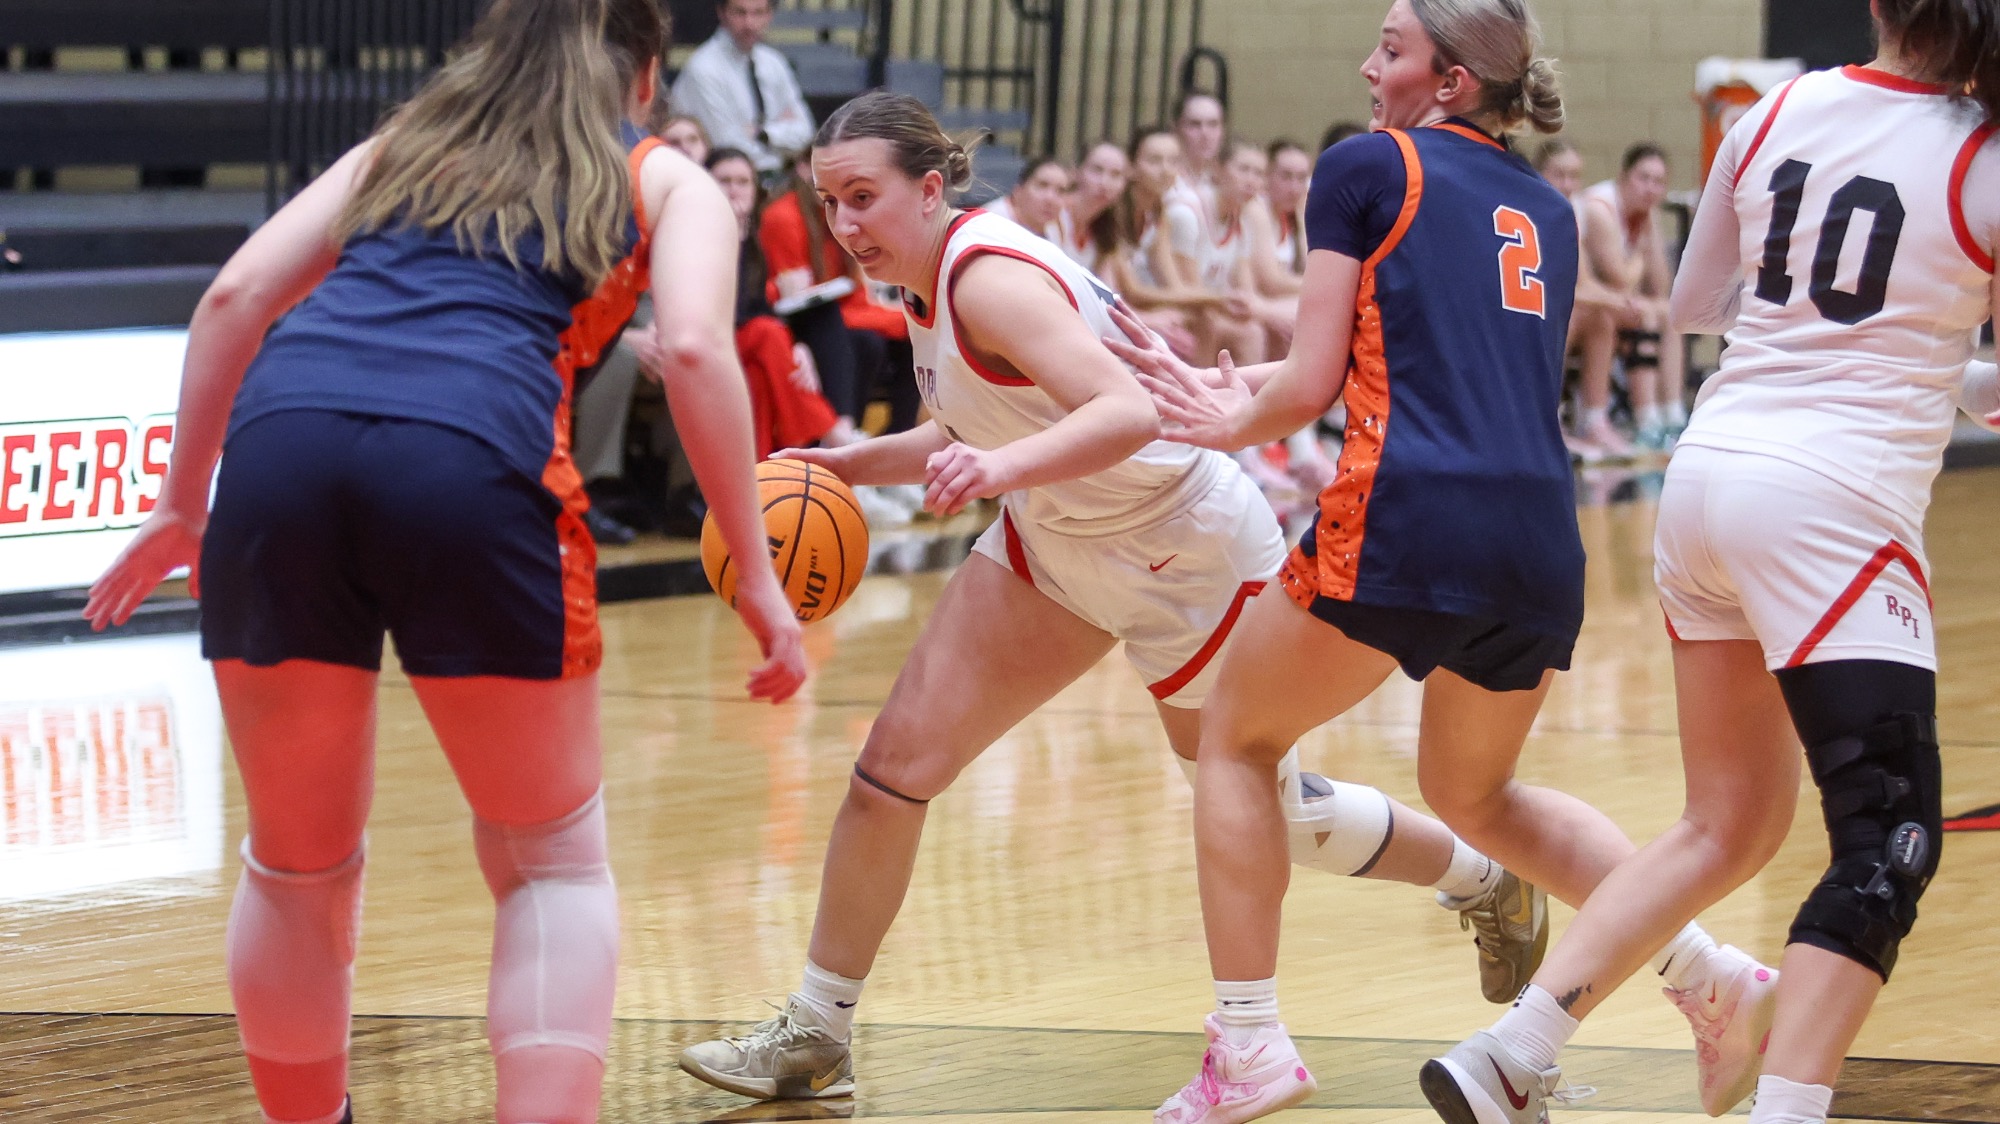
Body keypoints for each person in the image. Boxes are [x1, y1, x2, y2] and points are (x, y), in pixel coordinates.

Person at [676, 90, 1554, 1105]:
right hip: (1056, 540)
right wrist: (844, 462)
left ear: (928, 189)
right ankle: (814, 1030)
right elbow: (974, 418)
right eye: (828, 201)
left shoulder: (989, 280)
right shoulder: (925, 282)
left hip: (1182, 545)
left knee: (1267, 807)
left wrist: (999, 475)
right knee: (890, 769)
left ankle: (1480, 877)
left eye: (863, 197)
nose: (845, 226)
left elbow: (1128, 409)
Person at [80, 3, 809, 1122]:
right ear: (647, 74)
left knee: (296, 864)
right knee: (551, 861)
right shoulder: (664, 177)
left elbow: (233, 297)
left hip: (282, 452)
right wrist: (757, 578)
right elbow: (703, 349)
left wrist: (185, 504)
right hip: (471, 459)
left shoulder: (404, 142)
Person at [1103, 3, 1738, 1121]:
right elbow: (1430, 354)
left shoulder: (1364, 165)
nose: (1364, 64)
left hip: (1406, 512)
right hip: (1540, 531)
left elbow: (1308, 386)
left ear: (1447, 81)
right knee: (1474, 792)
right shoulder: (1545, 206)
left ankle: (1245, 1041)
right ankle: (1705, 971)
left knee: (1235, 738)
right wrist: (1245, 385)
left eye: (1388, 49)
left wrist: (1219, 419)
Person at [1430, 3, 2000, 1121]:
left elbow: (1694, 309)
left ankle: (1510, 1047)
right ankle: (1786, 1111)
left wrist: (1885, 354)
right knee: (1886, 837)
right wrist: (1923, 363)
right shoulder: (1979, 153)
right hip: (1829, 504)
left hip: (1703, 478)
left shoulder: (1772, 106)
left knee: (1726, 820)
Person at [1573, 143, 1687, 455]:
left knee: (1669, 312)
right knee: (1644, 314)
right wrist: (1640, 254)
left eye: (1659, 182)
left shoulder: (1642, 215)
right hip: (1586, 303)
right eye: (1644, 178)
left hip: (1611, 300)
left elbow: (1661, 285)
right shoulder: (1600, 208)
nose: (1651, 189)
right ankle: (1645, 419)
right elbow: (1621, 277)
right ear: (1624, 177)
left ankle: (1672, 414)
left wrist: (1650, 230)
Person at [1105, 127, 1246, 362]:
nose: (1165, 170)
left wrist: (1215, 299)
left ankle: (1200, 391)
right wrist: (1215, 297)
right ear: (1131, 167)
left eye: (1173, 161)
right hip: (1111, 308)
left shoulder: (1159, 215)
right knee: (1194, 321)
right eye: (1154, 160)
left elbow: (1173, 284)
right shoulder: (1115, 214)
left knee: (1204, 318)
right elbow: (1134, 292)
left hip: (1135, 308)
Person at [669, 0, 815, 177]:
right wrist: (783, 137)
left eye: (758, 12)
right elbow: (730, 149)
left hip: (777, 180)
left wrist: (764, 134)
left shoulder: (774, 62)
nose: (749, 23)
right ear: (722, 13)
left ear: (770, 15)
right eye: (740, 13)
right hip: (724, 184)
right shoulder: (704, 68)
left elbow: (806, 133)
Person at [1056, 139, 1130, 276]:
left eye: (1116, 174)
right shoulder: (1053, 213)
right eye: (1097, 170)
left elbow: (1107, 288)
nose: (1105, 183)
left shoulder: (1108, 227)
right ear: (1076, 171)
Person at [986, 154, 1070, 242]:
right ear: (1018, 191)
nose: (1051, 199)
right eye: (1042, 185)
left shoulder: (1054, 229)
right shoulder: (992, 222)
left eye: (1061, 191)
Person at [1264, 140, 1313, 283]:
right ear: (1266, 175)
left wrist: (1303, 221)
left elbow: (1308, 268)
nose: (1294, 189)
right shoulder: (1257, 210)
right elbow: (1271, 283)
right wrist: (1318, 288)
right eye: (1286, 176)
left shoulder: (1294, 215)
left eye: (1301, 178)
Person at [1174, 90, 1229, 207]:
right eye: (1195, 124)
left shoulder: (1223, 183)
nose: (1205, 133)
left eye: (1213, 124)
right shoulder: (1167, 180)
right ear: (1176, 128)